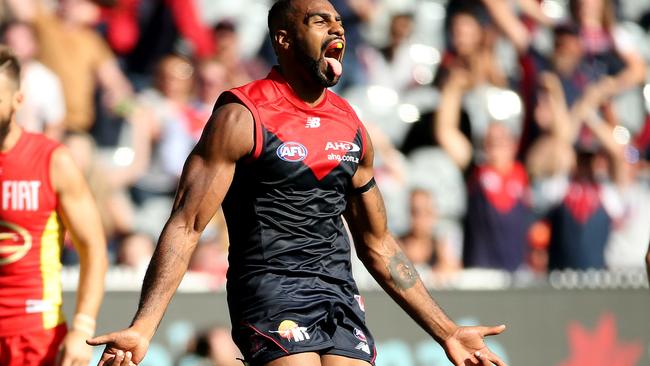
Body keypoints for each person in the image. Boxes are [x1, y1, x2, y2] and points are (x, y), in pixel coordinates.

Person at [87, 1, 507, 366]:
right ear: (285, 39)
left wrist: (446, 330)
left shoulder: (352, 126)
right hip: (270, 290)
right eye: (320, 21)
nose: (337, 28)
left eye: (339, 21)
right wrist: (143, 326)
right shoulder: (242, 116)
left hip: (339, 298)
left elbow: (378, 245)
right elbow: (186, 224)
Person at [0, 47, 108, 365]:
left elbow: (94, 249)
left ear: (18, 101)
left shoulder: (51, 160)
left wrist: (83, 328)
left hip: (34, 338)